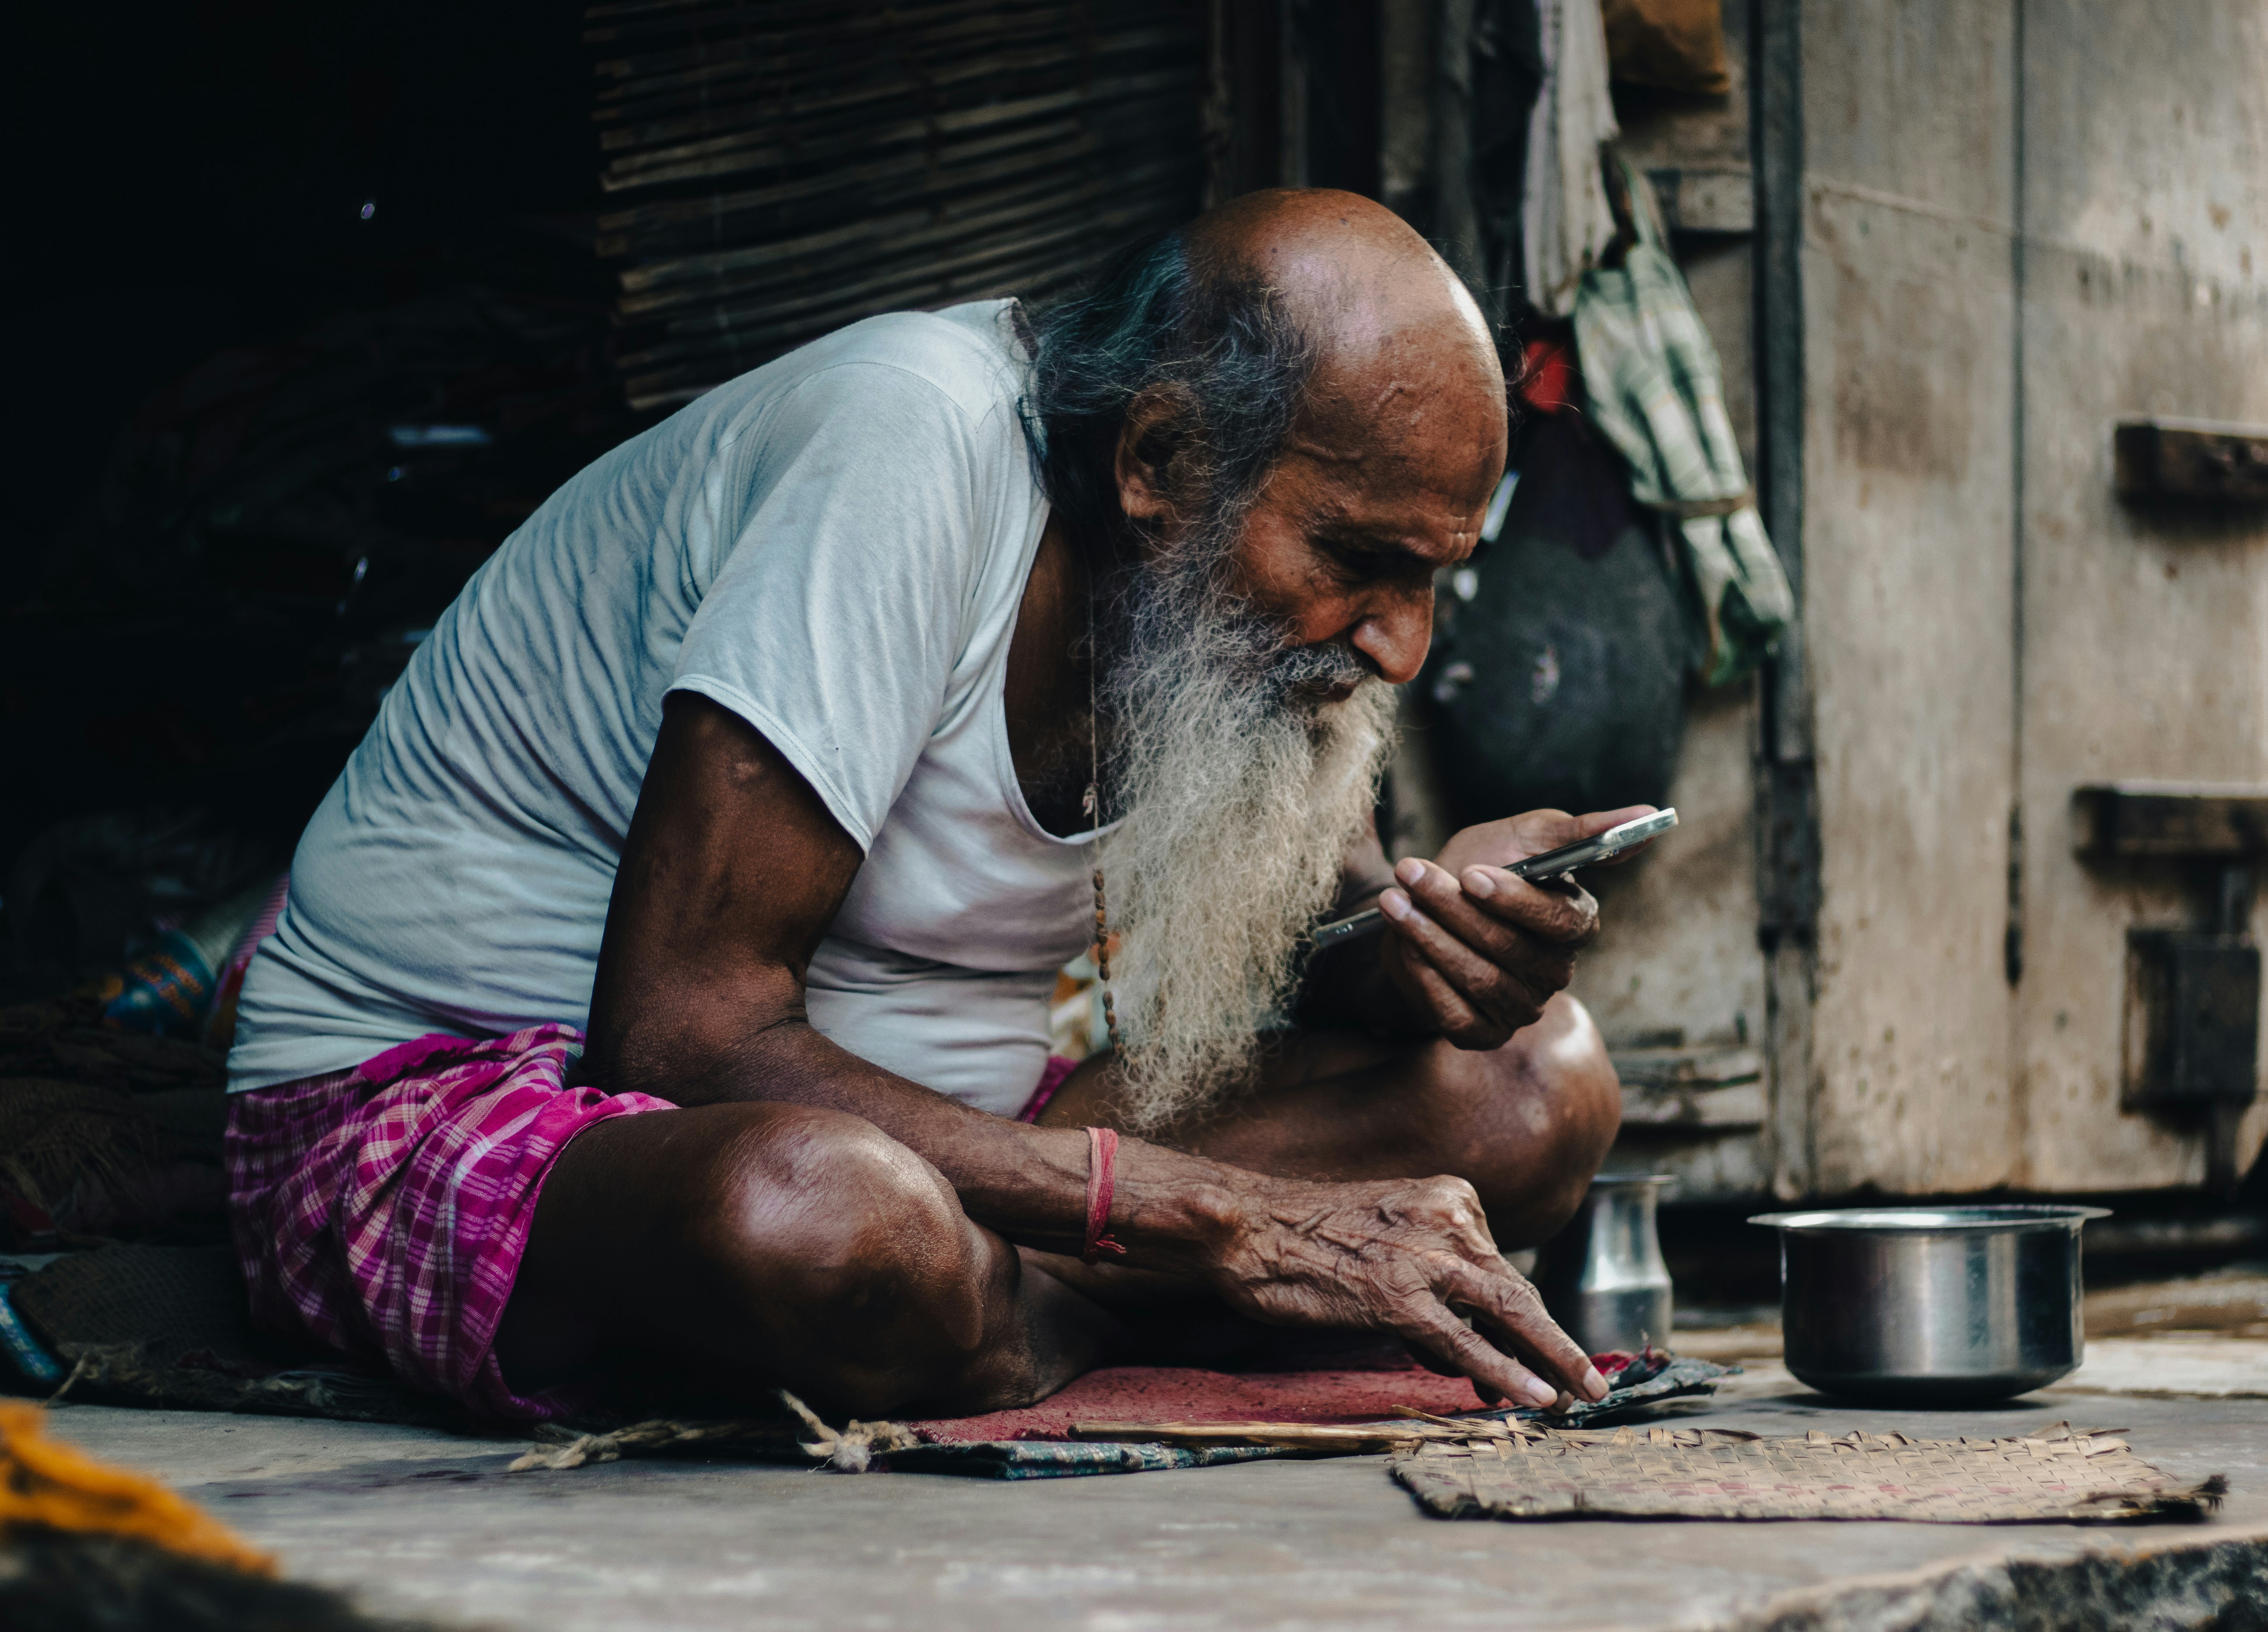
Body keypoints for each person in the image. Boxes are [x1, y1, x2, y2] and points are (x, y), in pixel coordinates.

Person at [222, 189, 1641, 1425]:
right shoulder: (907, 444)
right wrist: (1232, 1221)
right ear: (1156, 465)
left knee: (1535, 1083)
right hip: (491, 1103)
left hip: (971, 1151)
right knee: (828, 1223)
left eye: (1437, 574)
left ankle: (995, 1325)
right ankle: (1062, 1312)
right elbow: (676, 1033)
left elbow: (1319, 941)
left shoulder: (1245, 603)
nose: (1402, 642)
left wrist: (1424, 946)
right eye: (1363, 561)